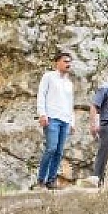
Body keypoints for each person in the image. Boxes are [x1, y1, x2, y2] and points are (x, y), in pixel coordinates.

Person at [34, 52, 75, 190]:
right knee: (51, 148)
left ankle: (51, 180)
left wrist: (72, 121)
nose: (68, 64)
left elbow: (70, 103)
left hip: (65, 120)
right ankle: (41, 180)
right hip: (52, 118)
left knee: (59, 152)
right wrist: (42, 114)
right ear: (57, 63)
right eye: (65, 61)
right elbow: (41, 95)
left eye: (69, 61)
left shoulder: (69, 83)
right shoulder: (49, 77)